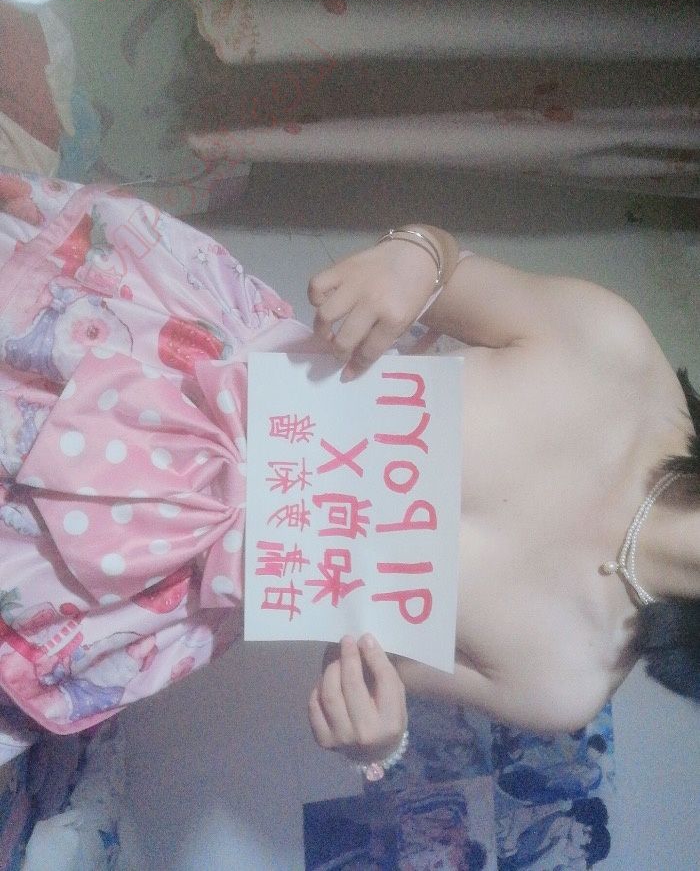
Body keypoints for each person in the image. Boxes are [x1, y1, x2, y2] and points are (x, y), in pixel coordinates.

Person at [0, 171, 697, 778]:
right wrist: (414, 258)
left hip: (131, 584)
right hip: (149, 352)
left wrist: (377, 738)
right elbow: (439, 271)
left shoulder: (563, 685)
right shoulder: (616, 351)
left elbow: (363, 657)